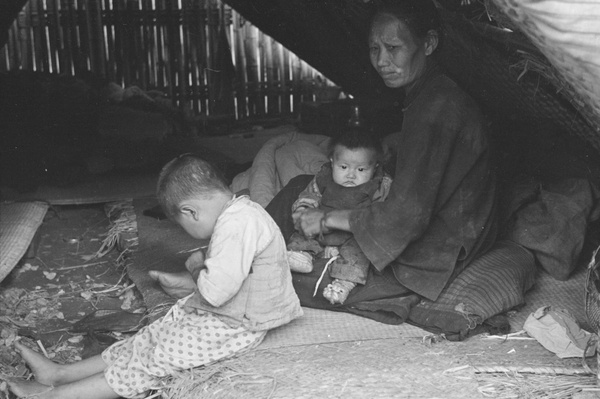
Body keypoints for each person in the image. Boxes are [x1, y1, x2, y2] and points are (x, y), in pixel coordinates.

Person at [7, 154, 303, 399]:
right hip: (231, 314)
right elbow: (236, 276)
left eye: (181, 225)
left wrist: (196, 266)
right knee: (150, 337)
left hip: (240, 325)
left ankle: (54, 396)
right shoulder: (238, 212)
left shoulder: (237, 225)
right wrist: (192, 280)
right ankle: (61, 374)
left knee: (156, 358)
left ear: (190, 212)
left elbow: (216, 292)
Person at [289, 0, 497, 314]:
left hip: (443, 246)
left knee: (297, 279)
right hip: (452, 226)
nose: (382, 61)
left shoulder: (436, 108)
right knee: (301, 190)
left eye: (393, 47)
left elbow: (407, 215)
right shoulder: (430, 94)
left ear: (428, 44)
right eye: (374, 49)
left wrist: (325, 217)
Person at [287, 129, 392, 305]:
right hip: (322, 229)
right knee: (302, 230)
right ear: (332, 161)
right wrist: (304, 210)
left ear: (375, 168)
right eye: (343, 167)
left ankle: (344, 281)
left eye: (361, 169)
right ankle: (303, 254)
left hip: (353, 236)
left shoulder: (380, 185)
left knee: (362, 249)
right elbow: (309, 196)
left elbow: (381, 216)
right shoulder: (323, 179)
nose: (351, 175)